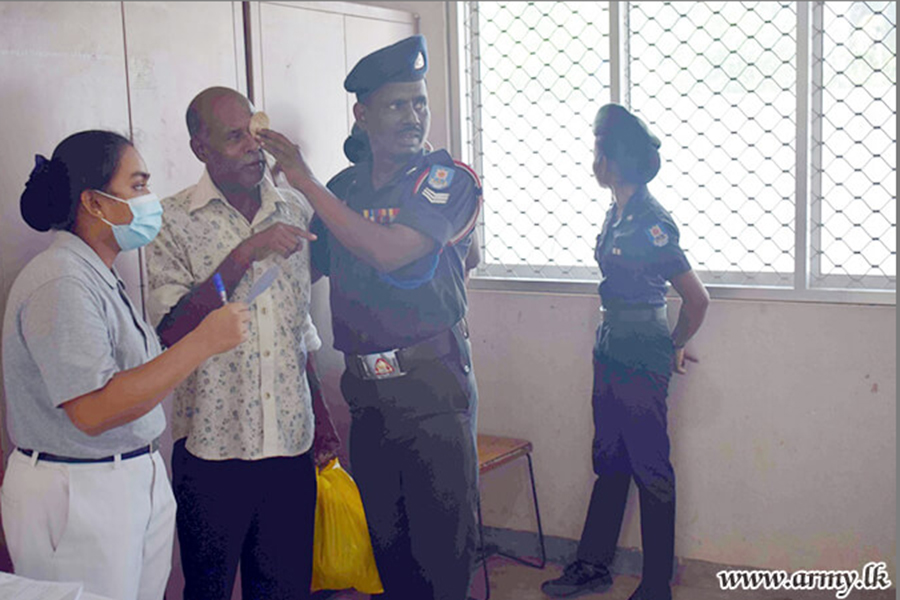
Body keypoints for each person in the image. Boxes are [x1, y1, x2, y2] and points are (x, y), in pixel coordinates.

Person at [258, 35, 482, 600]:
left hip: (433, 391)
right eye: (396, 104)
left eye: (419, 103)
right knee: (389, 552)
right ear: (361, 115)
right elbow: (306, 268)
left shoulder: (447, 180)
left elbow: (388, 251)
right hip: (367, 393)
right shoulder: (346, 189)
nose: (413, 116)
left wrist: (303, 180)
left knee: (442, 557)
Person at [1, 130, 249, 600]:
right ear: (94, 204)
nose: (148, 199)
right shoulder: (61, 281)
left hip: (129, 476)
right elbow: (93, 411)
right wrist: (202, 343)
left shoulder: (98, 272)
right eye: (137, 186)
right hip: (79, 491)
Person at [144, 86, 339, 600]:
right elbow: (171, 328)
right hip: (213, 452)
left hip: (290, 444)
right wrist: (244, 254)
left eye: (253, 133)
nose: (253, 147)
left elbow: (300, 331)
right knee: (207, 589)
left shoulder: (295, 209)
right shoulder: (171, 220)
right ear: (199, 148)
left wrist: (321, 418)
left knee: (283, 590)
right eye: (235, 138)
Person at [541, 104, 709, 600]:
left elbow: (696, 299)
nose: (592, 159)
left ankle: (656, 585)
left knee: (651, 467)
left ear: (611, 159)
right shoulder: (618, 211)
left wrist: (673, 345)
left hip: (640, 349)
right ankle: (593, 567)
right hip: (612, 344)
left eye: (597, 150)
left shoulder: (651, 221)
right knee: (609, 459)